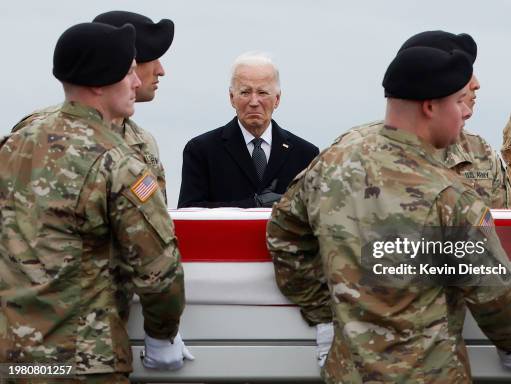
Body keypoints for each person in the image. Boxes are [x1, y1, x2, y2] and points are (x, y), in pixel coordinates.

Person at [267, 35, 511, 383]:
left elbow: (284, 232)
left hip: (347, 371)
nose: (464, 112)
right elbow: (493, 288)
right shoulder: (450, 193)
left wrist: (325, 312)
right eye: (457, 102)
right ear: (430, 106)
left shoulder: (336, 158)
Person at [0, 22, 191, 383]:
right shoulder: (118, 163)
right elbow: (158, 271)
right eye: (128, 73)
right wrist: (162, 333)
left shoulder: (13, 145)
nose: (136, 82)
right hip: (84, 360)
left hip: (16, 358)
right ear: (100, 82)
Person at [12, 10, 174, 203]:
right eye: (151, 59)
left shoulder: (144, 141)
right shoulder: (37, 132)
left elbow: (156, 217)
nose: (160, 70)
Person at [351, 31, 511, 209]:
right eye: (464, 73)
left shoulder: (481, 153)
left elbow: (507, 230)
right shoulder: (353, 151)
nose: (476, 84)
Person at [178, 52, 319, 208]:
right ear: (232, 97)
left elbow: (315, 215)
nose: (254, 102)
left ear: (277, 99)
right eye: (245, 92)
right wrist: (253, 205)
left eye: (262, 92)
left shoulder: (305, 154)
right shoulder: (201, 150)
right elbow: (189, 213)